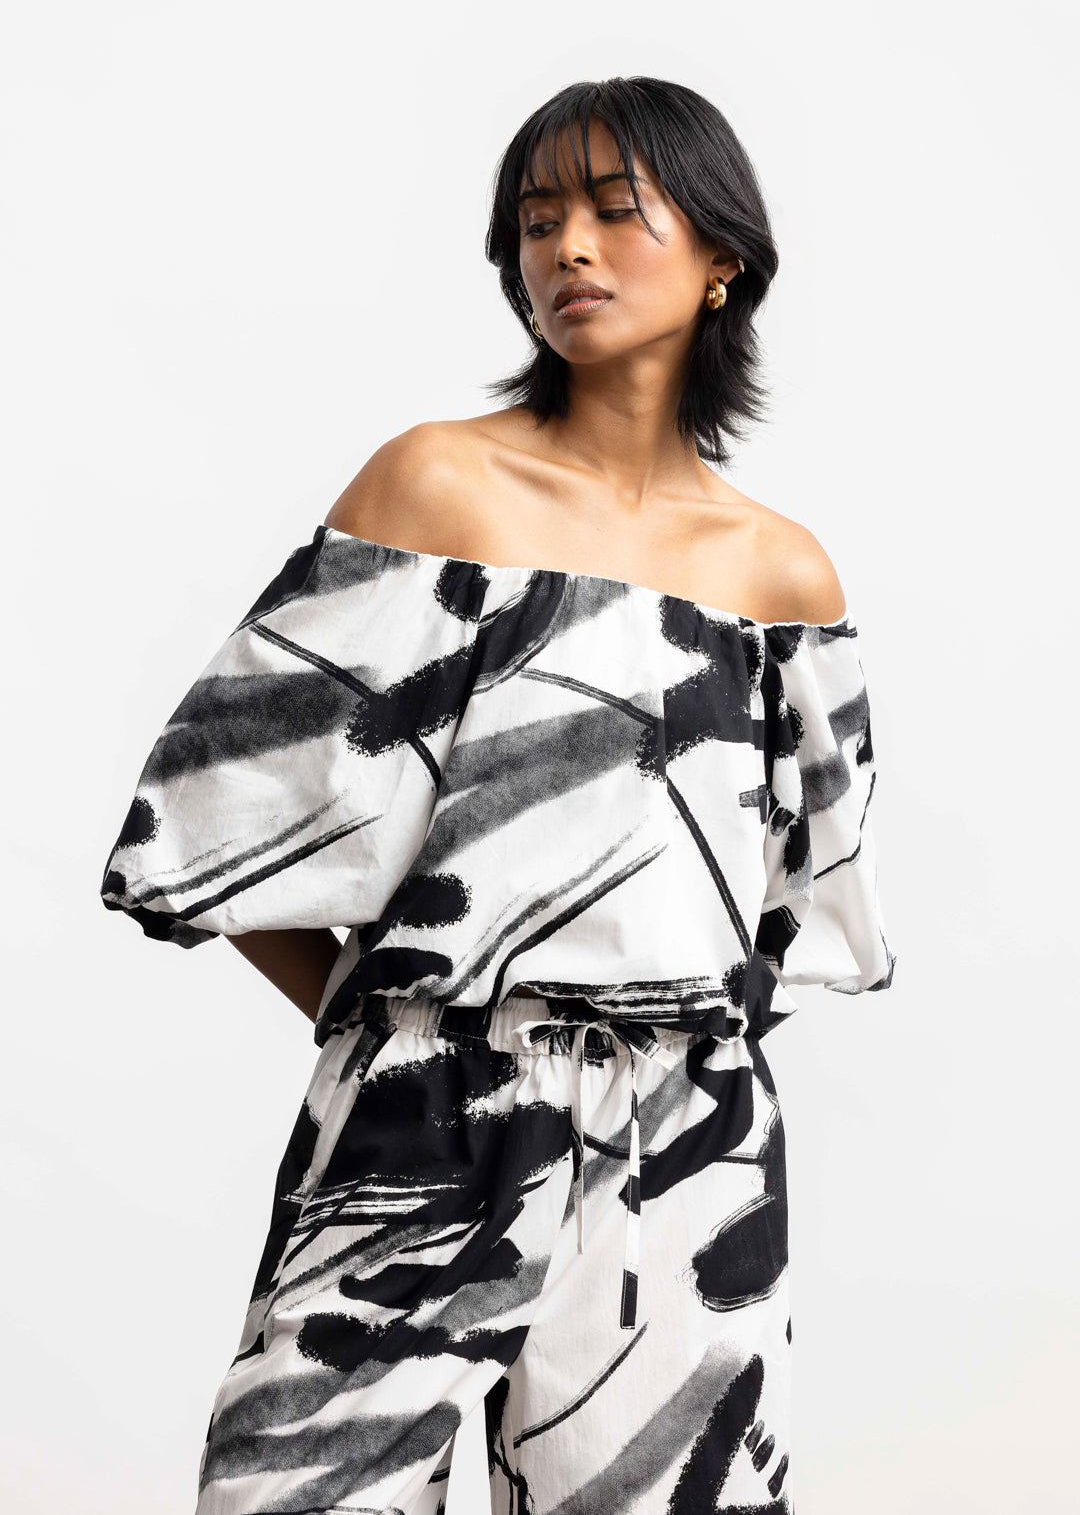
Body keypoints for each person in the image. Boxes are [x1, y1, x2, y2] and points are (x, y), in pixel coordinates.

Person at [100, 75, 897, 1515]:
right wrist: (417, 1036)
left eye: (613, 210)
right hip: (423, 1119)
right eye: (536, 223)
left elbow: (783, 921)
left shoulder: (784, 582)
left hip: (686, 1158)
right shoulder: (437, 493)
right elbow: (213, 833)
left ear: (722, 257)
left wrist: (650, 1074)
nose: (567, 249)